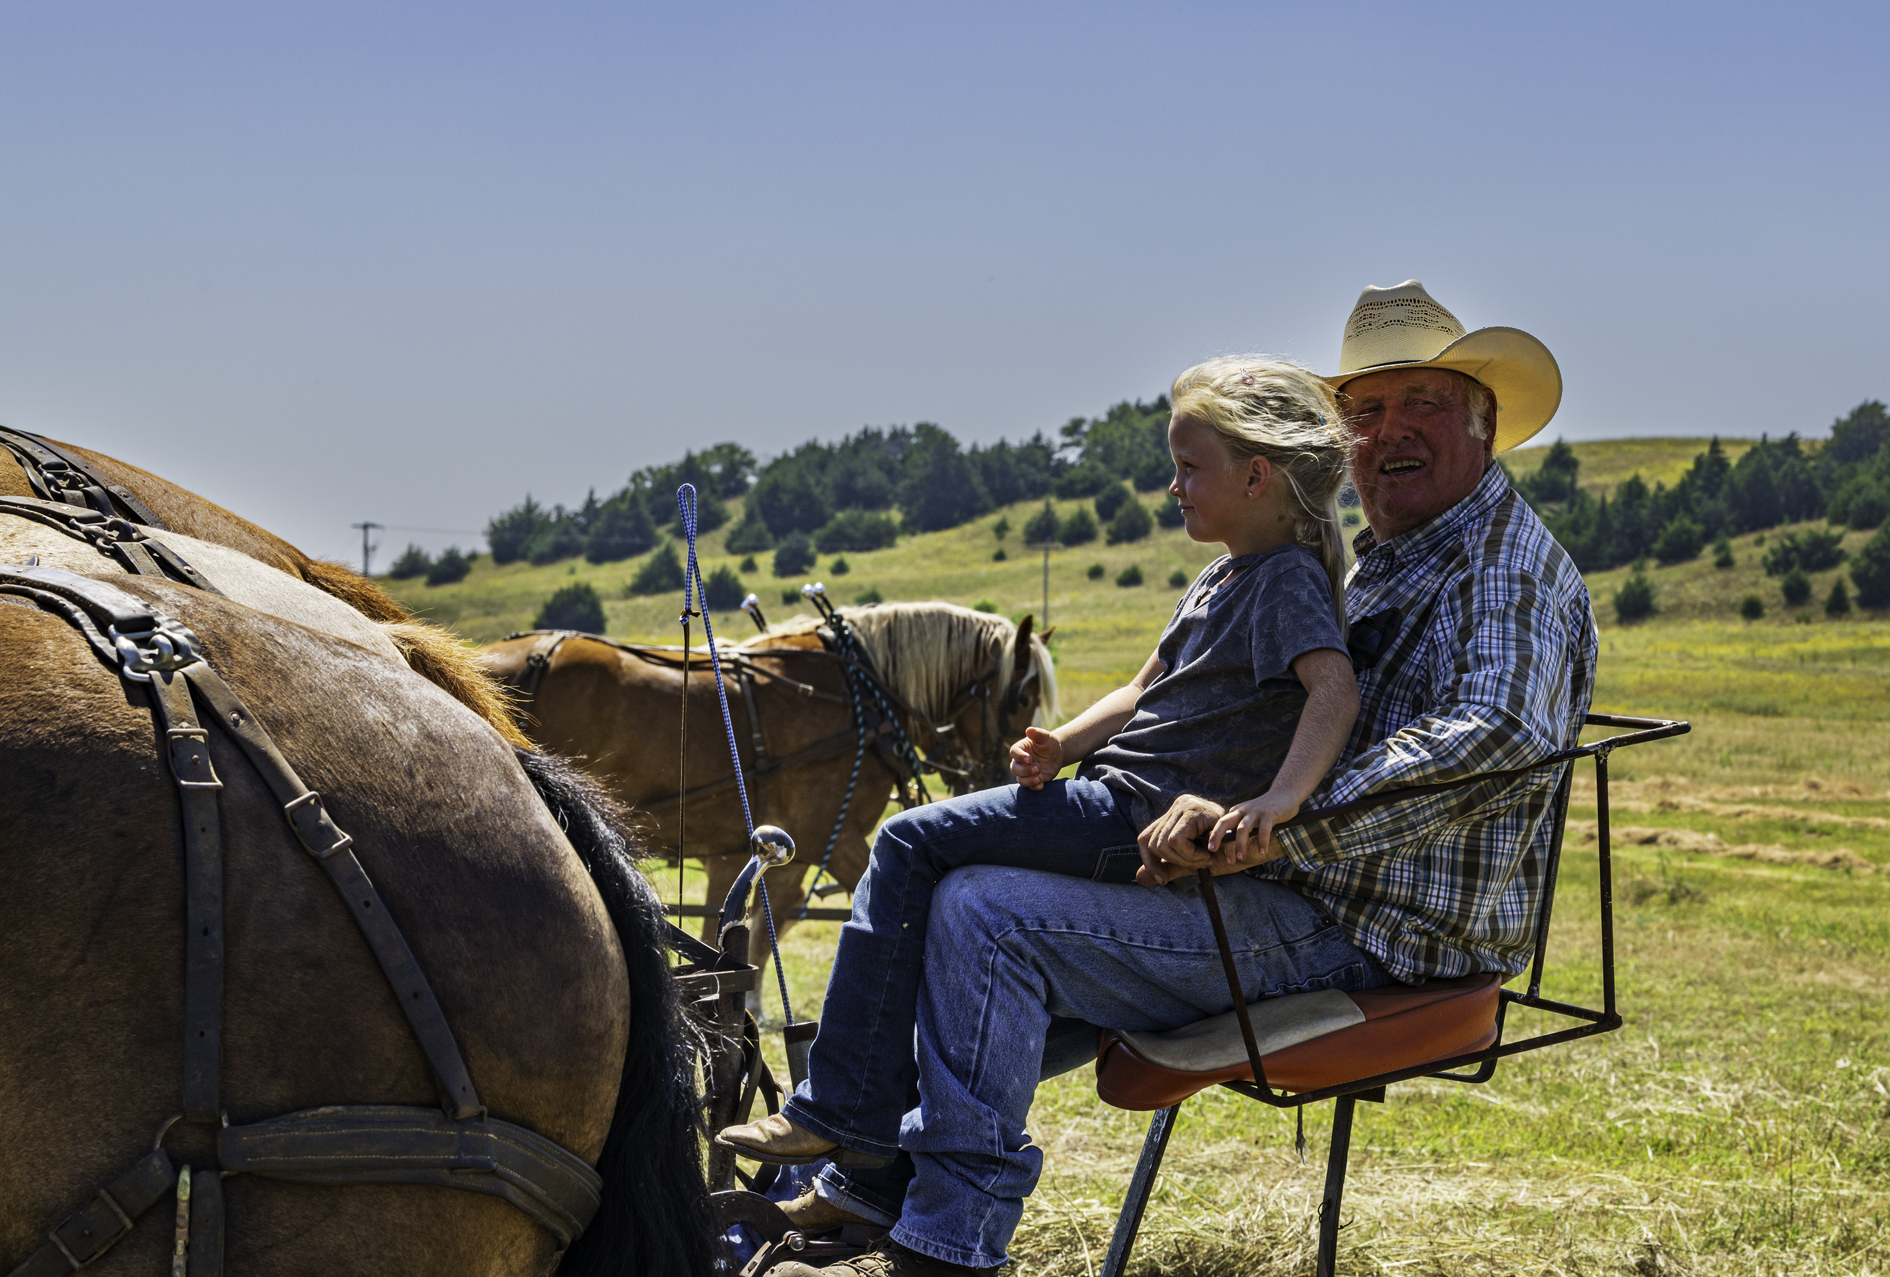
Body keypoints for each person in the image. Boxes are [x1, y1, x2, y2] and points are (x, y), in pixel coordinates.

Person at [765, 279, 1598, 1277]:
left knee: (986, 914)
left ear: (1484, 420)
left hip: (1375, 936)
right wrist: (1208, 816)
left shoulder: (1499, 565)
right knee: (956, 895)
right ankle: (871, 1173)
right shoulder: (1384, 558)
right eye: (1366, 411)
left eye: (1421, 403)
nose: (1390, 433)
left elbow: (1494, 732)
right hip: (1283, 885)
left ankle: (939, 1240)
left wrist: (1267, 824)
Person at [716, 357, 1364, 1249]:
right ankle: (871, 1174)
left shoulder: (1285, 578)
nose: (1171, 485)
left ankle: (842, 1106)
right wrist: (1065, 744)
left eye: (1190, 467)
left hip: (1130, 814)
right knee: (943, 888)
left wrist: (1279, 798)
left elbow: (1333, 690)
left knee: (906, 842)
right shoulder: (1222, 577)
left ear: (1258, 477)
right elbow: (1141, 692)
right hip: (1104, 789)